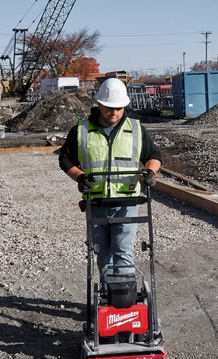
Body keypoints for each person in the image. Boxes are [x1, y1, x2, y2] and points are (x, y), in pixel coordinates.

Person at [59, 78, 162, 277]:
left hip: (126, 202)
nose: (114, 112)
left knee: (123, 251)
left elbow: (154, 156)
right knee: (103, 255)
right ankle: (107, 297)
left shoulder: (136, 129)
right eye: (109, 107)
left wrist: (150, 172)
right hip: (96, 203)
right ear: (98, 103)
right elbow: (65, 160)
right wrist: (80, 177)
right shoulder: (81, 130)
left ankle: (125, 297)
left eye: (118, 108)